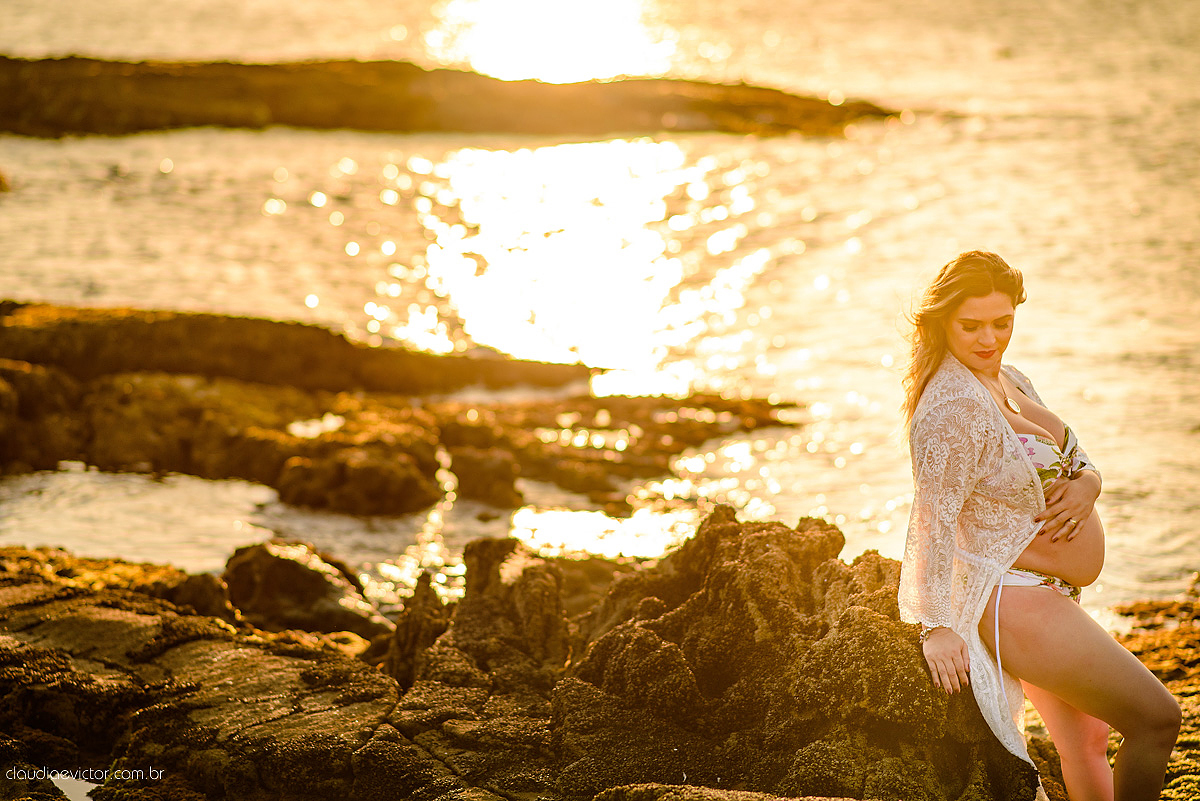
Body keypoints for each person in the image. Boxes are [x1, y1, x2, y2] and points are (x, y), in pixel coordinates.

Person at [897, 251, 1180, 801]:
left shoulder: (1009, 377)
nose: (989, 338)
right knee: (1157, 720)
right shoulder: (952, 408)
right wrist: (934, 625)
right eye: (971, 325)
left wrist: (1088, 487)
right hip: (1014, 598)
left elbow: (1079, 461)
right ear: (941, 322)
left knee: (1088, 740)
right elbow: (931, 520)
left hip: (1050, 592)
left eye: (1002, 323)